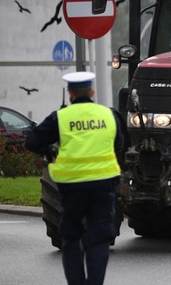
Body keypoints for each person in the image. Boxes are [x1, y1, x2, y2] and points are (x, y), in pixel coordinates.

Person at [25, 72, 123, 285]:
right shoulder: (108, 115)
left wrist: (49, 150)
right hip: (103, 186)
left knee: (71, 238)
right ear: (92, 92)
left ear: (70, 94)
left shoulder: (61, 117)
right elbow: (119, 146)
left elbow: (31, 141)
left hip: (72, 188)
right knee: (99, 240)